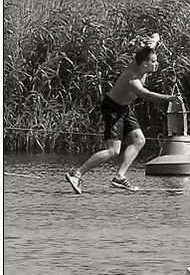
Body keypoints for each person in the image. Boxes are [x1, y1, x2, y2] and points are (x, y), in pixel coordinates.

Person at [65, 37, 181, 193]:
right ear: (145, 64)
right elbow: (147, 95)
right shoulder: (133, 79)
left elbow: (152, 42)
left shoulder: (139, 63)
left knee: (139, 140)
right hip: (112, 108)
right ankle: (77, 174)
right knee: (113, 151)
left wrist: (155, 40)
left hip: (124, 108)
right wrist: (170, 98)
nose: (157, 64)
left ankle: (119, 177)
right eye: (154, 61)